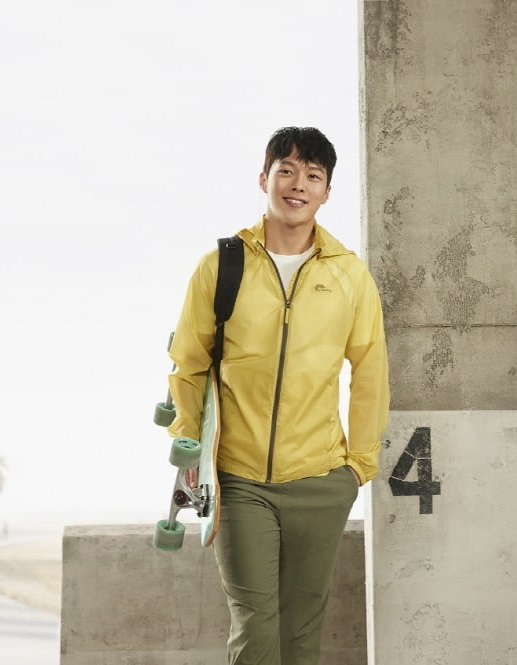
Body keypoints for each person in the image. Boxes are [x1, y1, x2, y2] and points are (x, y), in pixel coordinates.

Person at [166, 126, 390, 665]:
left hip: (321, 478)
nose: (298, 184)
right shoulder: (221, 266)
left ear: (327, 192)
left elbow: (370, 372)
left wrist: (358, 465)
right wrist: (190, 448)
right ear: (264, 178)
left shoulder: (349, 275)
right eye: (286, 170)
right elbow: (189, 365)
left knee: (302, 632)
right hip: (239, 479)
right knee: (254, 626)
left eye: (313, 175)